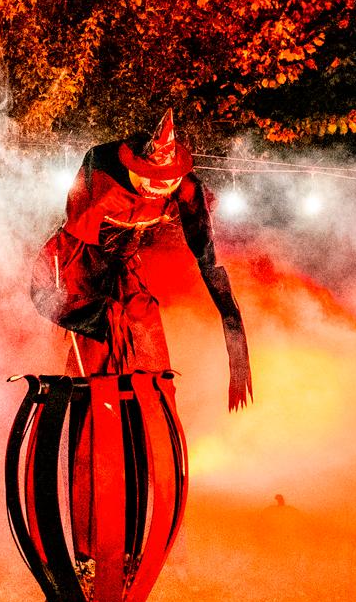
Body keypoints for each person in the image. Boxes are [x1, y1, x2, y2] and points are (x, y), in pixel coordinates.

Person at [31, 110, 252, 410]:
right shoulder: (102, 177)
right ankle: (92, 422)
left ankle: (151, 417)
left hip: (125, 265)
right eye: (153, 180)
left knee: (147, 336)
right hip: (84, 262)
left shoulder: (185, 189)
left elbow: (208, 260)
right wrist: (91, 309)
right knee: (98, 351)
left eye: (167, 182)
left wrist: (237, 352)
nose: (159, 190)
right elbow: (72, 248)